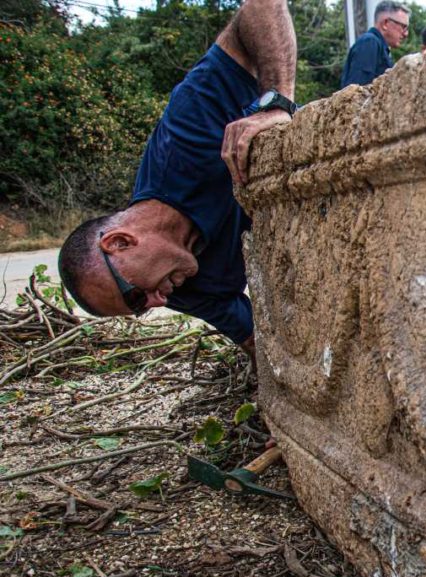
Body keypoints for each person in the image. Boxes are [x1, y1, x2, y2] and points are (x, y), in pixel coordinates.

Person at [57, 0, 297, 357]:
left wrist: (276, 104)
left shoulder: (184, 138)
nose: (157, 302)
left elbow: (261, 6)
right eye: (140, 309)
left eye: (136, 295)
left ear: (120, 242)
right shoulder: (183, 289)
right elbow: (256, 341)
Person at [340, 1, 410, 88]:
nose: (406, 34)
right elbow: (357, 90)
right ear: (385, 24)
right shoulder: (369, 42)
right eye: (403, 27)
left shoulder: (378, 46)